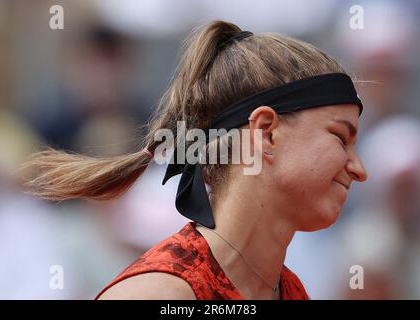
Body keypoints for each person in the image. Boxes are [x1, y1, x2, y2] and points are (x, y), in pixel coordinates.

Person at [20, 20, 367, 300]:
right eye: (340, 137)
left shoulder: (288, 290)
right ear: (265, 133)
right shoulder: (159, 294)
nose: (359, 169)